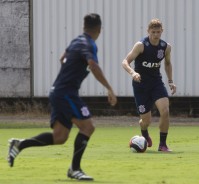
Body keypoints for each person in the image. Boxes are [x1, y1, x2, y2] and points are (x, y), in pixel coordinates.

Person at [8, 13, 117, 180]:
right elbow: (93, 66)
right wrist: (109, 88)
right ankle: (75, 169)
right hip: (66, 93)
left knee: (60, 137)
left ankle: (20, 144)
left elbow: (62, 58)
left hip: (58, 91)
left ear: (83, 27)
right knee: (88, 127)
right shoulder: (89, 44)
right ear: (99, 30)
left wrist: (71, 73)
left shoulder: (76, 40)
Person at [122, 18, 176, 152]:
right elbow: (125, 62)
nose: (156, 35)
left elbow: (167, 64)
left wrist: (170, 81)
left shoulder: (165, 47)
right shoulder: (141, 45)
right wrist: (133, 73)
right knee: (146, 121)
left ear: (162, 31)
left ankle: (162, 144)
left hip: (156, 83)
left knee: (165, 111)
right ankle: (144, 132)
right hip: (141, 86)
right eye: (153, 32)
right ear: (148, 31)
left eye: (158, 32)